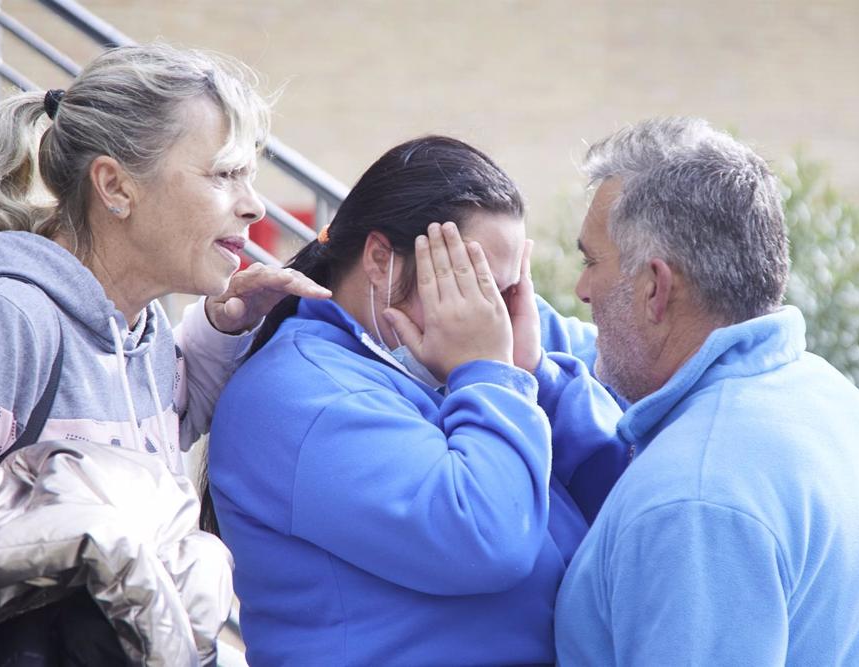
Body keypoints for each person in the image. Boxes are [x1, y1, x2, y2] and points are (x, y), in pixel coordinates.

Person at [0, 44, 328, 663]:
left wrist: (221, 330)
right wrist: (89, 533)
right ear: (114, 186)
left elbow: (138, 435)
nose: (253, 204)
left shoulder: (144, 330)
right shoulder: (4, 316)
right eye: (222, 174)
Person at [208, 136, 629, 665]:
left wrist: (536, 373)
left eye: (505, 293)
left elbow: (635, 447)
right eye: (470, 286)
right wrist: (494, 377)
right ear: (381, 260)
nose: (492, 316)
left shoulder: (473, 341)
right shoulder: (298, 398)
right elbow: (487, 538)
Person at [553, 117, 859, 665]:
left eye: (590, 262)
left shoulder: (693, 501)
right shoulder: (829, 397)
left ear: (654, 287)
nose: (581, 291)